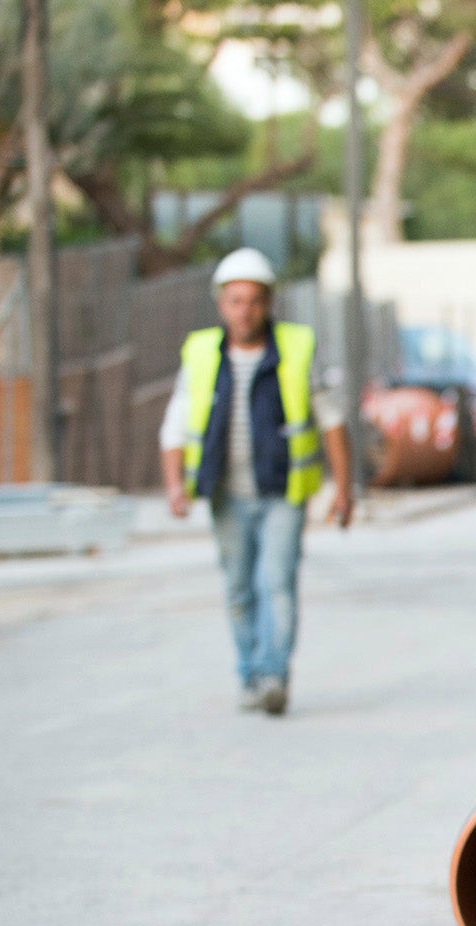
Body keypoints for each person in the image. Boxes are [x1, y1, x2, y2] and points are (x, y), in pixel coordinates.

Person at [158, 248, 354, 717]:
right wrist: (173, 485)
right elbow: (175, 423)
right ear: (221, 304)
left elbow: (331, 420)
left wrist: (343, 490)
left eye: (253, 300)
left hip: (282, 493)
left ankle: (273, 677)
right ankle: (249, 674)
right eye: (235, 300)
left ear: (268, 304)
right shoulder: (202, 353)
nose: (244, 310)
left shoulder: (296, 348)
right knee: (239, 588)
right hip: (226, 494)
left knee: (278, 582)